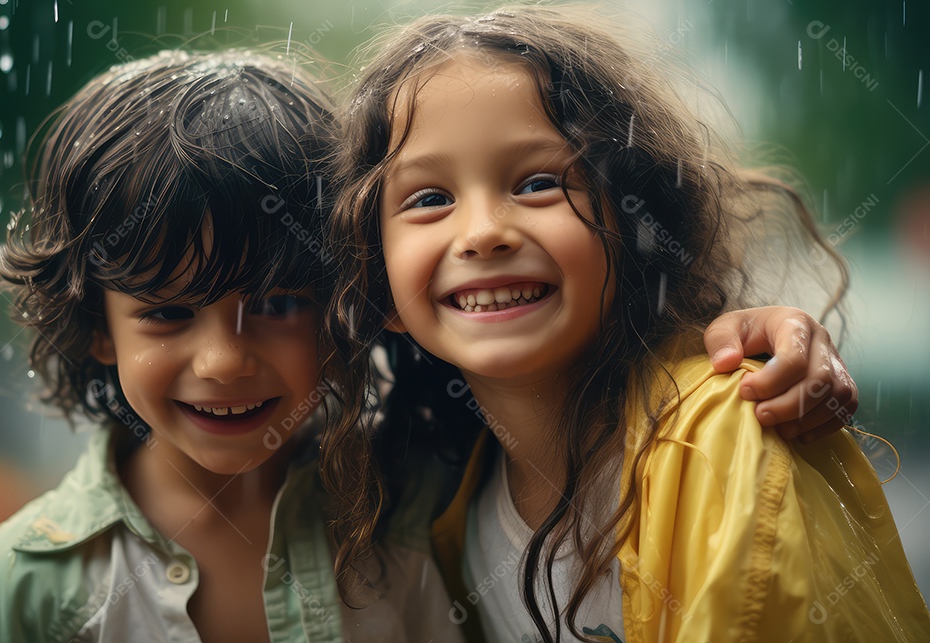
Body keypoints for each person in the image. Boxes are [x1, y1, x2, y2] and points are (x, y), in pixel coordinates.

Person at [322, 7, 930, 642]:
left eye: (537, 183)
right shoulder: (440, 509)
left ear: (636, 230)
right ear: (376, 283)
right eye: (429, 199)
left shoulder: (725, 441)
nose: (481, 233)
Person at [0, 49, 463, 643]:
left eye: (277, 305)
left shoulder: (428, 506)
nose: (223, 362)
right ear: (98, 327)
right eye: (167, 313)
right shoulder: (14, 594)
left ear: (343, 302)